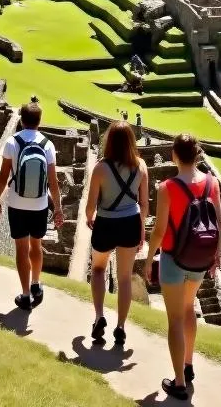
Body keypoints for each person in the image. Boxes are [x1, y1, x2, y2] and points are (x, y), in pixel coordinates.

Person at [144, 134, 221, 401]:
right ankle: (188, 365)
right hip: (200, 258)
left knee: (175, 319)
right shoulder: (212, 183)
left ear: (174, 155)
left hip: (173, 259)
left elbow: (159, 230)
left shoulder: (167, 187)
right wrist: (216, 254)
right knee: (189, 309)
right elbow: (219, 223)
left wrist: (148, 259)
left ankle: (178, 382)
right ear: (197, 155)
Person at [0, 99, 64, 311]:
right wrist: (58, 208)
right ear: (39, 121)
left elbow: (3, 176)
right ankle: (36, 285)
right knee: (36, 245)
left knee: (21, 249)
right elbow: (53, 181)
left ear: (22, 120)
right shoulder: (47, 144)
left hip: (16, 203)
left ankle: (25, 295)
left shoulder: (12, 142)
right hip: (40, 204)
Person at [84, 121, 149, 346]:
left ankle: (99, 315)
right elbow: (144, 205)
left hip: (106, 222)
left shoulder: (101, 168)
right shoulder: (140, 166)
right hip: (130, 222)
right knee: (124, 278)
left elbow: (90, 206)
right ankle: (120, 326)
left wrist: (89, 217)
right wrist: (142, 232)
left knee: (99, 269)